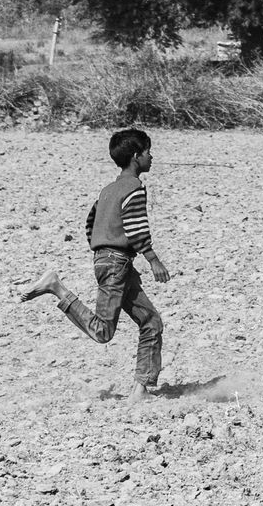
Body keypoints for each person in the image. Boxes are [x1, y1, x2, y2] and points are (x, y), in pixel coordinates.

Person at [19, 127, 171, 397]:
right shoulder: (134, 188)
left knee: (151, 321)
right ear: (136, 156)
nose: (152, 157)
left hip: (111, 261)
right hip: (116, 263)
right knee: (102, 331)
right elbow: (137, 228)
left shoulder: (107, 190)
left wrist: (101, 247)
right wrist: (153, 260)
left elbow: (90, 222)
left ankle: (141, 389)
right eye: (148, 152)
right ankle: (57, 288)